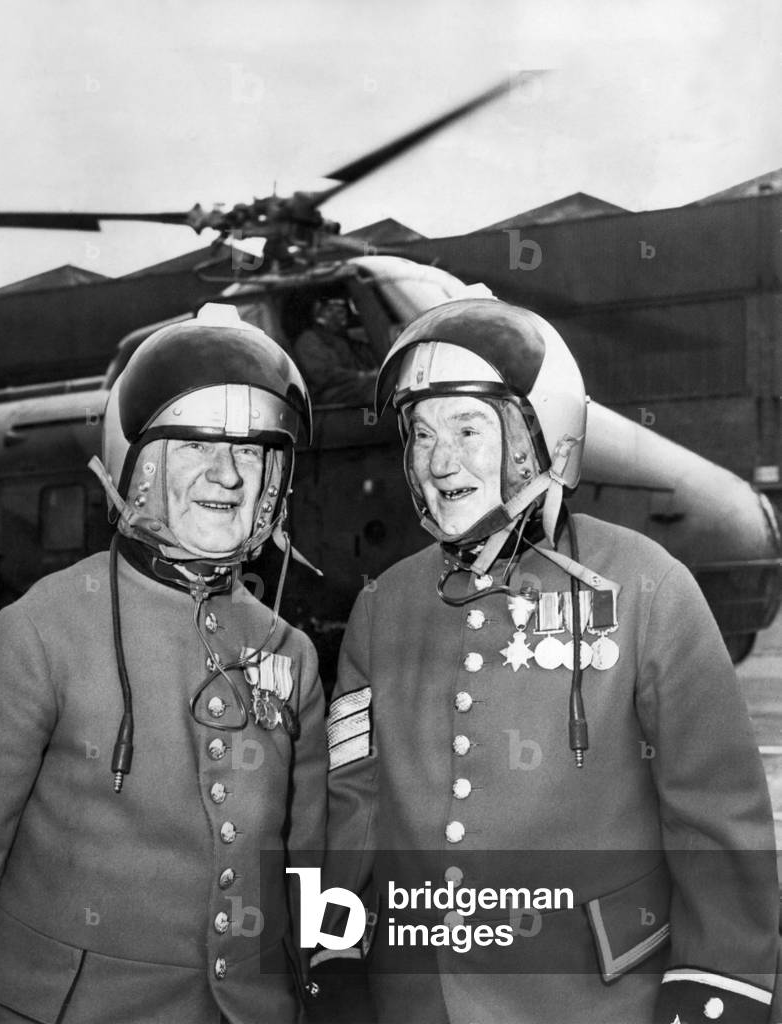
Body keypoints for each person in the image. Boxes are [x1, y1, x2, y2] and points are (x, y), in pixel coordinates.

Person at [317, 298, 780, 1023]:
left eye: (469, 428)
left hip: (598, 1001)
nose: (440, 461)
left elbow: (717, 822)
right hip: (415, 1002)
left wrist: (715, 989)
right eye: (422, 434)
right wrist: (334, 958)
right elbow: (352, 810)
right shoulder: (385, 607)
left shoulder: (650, 589)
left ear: (542, 435)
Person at [0, 316, 327, 1023]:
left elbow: (300, 873)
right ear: (138, 464)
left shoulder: (289, 652)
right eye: (197, 448)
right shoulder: (40, 631)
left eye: (253, 452)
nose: (229, 474)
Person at [293, 296, 378, 405]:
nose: (335, 316)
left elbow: (355, 365)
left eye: (340, 311)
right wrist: (361, 375)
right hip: (326, 395)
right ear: (319, 314)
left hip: (350, 387)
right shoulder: (308, 340)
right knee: (375, 387)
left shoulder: (341, 341)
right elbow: (322, 375)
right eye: (329, 310)